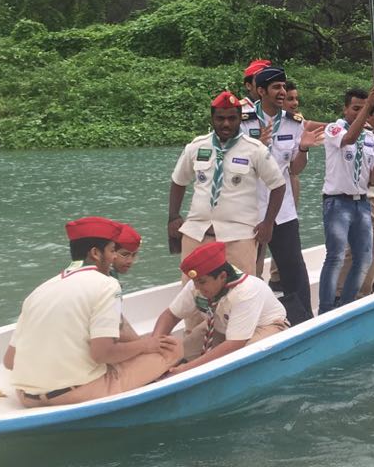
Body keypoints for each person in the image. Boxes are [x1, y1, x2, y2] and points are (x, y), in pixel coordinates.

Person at [3, 217, 182, 408]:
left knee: (141, 345)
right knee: (173, 346)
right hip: (77, 394)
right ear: (96, 253)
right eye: (113, 251)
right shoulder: (106, 285)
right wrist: (145, 345)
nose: (115, 257)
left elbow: (9, 361)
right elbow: (102, 354)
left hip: (27, 397)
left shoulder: (40, 290)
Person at [168, 91, 286, 276]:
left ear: (240, 118)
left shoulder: (255, 150)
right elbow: (178, 181)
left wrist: (268, 223)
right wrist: (173, 216)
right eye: (220, 118)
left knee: (239, 294)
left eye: (232, 118)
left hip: (239, 237)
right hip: (197, 233)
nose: (226, 124)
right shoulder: (197, 146)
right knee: (193, 294)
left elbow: (278, 186)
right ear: (212, 119)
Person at [239, 66, 324, 323]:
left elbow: (294, 170)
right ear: (261, 91)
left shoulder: (293, 122)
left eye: (284, 87)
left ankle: (301, 322)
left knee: (294, 271)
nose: (282, 92)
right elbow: (234, 166)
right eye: (276, 87)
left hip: (283, 211)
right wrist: (256, 148)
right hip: (249, 210)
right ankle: (250, 325)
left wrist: (304, 150)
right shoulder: (242, 121)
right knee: (247, 272)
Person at [153, 242, 288, 376]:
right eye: (195, 282)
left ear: (222, 276)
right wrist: (155, 344)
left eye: (202, 282)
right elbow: (170, 316)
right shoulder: (197, 285)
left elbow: (235, 344)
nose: (197, 287)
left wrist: (188, 368)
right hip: (223, 327)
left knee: (243, 356)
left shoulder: (245, 291)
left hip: (265, 326)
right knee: (182, 352)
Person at [319, 87, 374, 312]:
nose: (359, 113)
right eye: (355, 108)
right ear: (345, 108)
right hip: (338, 202)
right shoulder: (334, 129)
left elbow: (369, 181)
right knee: (336, 256)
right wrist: (368, 106)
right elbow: (348, 138)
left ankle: (346, 303)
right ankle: (326, 308)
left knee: (364, 257)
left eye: (363, 109)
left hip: (362, 203)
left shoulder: (370, 138)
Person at [112, 223, 143, 341]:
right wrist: (143, 344)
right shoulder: (110, 283)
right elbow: (115, 329)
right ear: (110, 251)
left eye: (134, 255)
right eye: (125, 254)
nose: (130, 261)